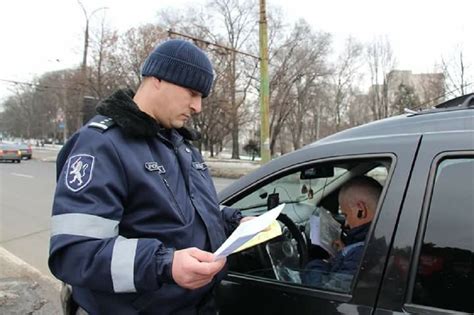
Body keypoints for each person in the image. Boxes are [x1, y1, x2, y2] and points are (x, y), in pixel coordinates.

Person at [49, 39, 246, 315]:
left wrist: (236, 221)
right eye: (192, 92)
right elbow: (75, 253)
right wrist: (165, 264)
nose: (198, 107)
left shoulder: (179, 144)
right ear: (158, 80)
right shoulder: (102, 145)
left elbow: (190, 212)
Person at [303, 175, 382, 288]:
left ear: (361, 210)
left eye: (345, 215)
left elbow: (325, 293)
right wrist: (343, 253)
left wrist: (318, 264)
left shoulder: (361, 254)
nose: (346, 224)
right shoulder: (379, 239)